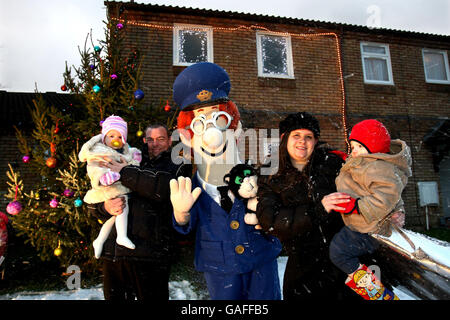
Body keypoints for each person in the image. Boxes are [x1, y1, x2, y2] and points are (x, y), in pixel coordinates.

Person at [170, 62, 282, 300]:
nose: (213, 134)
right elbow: (185, 228)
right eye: (200, 123)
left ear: (235, 126)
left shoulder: (258, 179)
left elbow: (276, 211)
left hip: (260, 260)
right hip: (219, 267)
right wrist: (181, 214)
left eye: (219, 119)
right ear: (187, 136)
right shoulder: (190, 188)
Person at [256, 111, 356, 300]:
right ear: (285, 139)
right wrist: (318, 209)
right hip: (303, 269)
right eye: (297, 135)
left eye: (308, 137)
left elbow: (366, 188)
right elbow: (271, 221)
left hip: (344, 262)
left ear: (316, 141)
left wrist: (390, 210)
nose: (302, 141)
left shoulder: (334, 165)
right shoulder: (271, 175)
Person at [87, 123, 191, 300]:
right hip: (115, 254)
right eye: (150, 139)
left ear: (169, 142)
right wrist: (105, 207)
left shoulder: (177, 163)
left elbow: (163, 190)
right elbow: (97, 194)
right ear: (144, 140)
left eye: (160, 139)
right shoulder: (130, 157)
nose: (155, 144)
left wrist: (125, 172)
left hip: (151, 254)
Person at [328, 119, 411, 300]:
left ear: (373, 148)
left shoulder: (377, 168)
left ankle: (377, 293)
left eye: (358, 146)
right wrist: (346, 162)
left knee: (339, 252)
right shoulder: (368, 165)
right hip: (361, 225)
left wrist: (357, 205)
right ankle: (370, 284)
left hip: (371, 228)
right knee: (339, 251)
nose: (353, 151)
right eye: (352, 146)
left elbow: (386, 198)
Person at [79, 115, 140, 259]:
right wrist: (103, 177)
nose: (116, 139)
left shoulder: (122, 150)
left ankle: (99, 240)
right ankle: (121, 236)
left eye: (120, 137)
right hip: (106, 186)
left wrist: (135, 155)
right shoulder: (98, 150)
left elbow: (129, 158)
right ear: (104, 137)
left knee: (115, 215)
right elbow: (93, 168)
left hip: (118, 185)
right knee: (122, 206)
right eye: (112, 135)